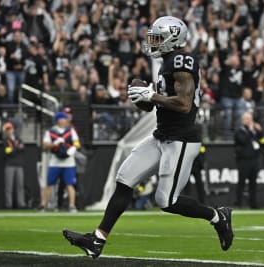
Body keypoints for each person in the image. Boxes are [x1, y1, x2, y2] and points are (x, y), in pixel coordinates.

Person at [63, 16, 233, 258]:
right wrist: (141, 97)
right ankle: (97, 240)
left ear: (172, 38)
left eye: (157, 37)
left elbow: (184, 104)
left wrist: (151, 95)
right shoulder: (166, 62)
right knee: (124, 178)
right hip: (162, 135)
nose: (152, 42)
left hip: (181, 139)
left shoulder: (181, 60)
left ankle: (218, 216)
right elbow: (156, 106)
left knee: (167, 200)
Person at [39, 112, 81, 212]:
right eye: (63, 119)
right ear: (58, 120)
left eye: (65, 119)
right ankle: (42, 205)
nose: (65, 120)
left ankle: (72, 206)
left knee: (70, 184)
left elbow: (77, 142)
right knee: (49, 184)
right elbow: (44, 146)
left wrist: (73, 148)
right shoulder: (51, 131)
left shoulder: (71, 131)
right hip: (55, 162)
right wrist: (54, 144)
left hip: (69, 162)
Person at [234, 112, 264, 209]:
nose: (248, 121)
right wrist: (251, 130)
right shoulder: (239, 131)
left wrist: (260, 131)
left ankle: (253, 203)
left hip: (254, 160)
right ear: (243, 120)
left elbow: (263, 141)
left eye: (250, 119)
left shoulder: (255, 131)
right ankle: (239, 203)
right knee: (241, 183)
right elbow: (243, 141)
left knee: (253, 183)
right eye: (246, 119)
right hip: (243, 160)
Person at [3, 122, 25, 209]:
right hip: (9, 165)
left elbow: (22, 148)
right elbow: (7, 152)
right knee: (9, 186)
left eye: (10, 129)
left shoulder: (18, 139)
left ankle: (21, 204)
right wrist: (17, 148)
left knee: (20, 185)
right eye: (7, 129)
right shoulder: (5, 141)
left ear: (13, 129)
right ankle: (9, 204)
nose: (9, 131)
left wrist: (14, 149)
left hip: (19, 164)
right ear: (5, 131)